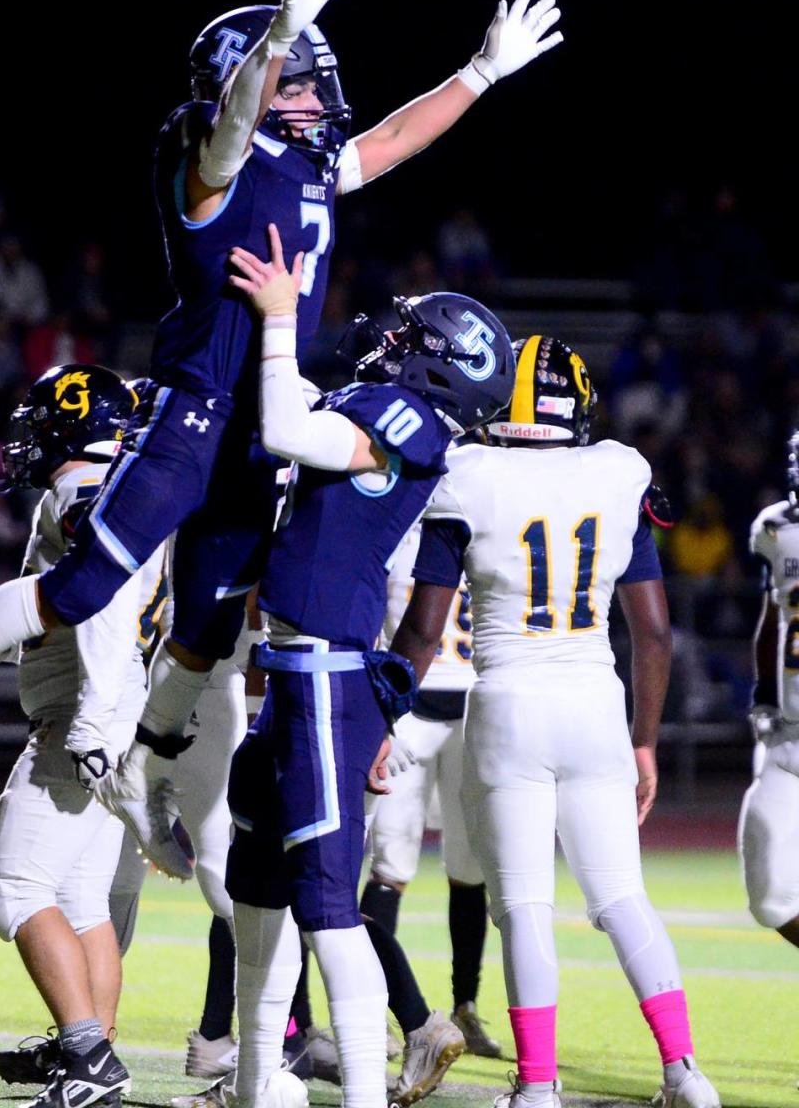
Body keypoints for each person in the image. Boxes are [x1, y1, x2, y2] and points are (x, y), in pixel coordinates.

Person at [0, 0, 562, 871]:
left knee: (206, 629)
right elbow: (231, 133)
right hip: (194, 406)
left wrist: (477, 74)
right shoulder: (206, 150)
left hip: (258, 418)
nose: (319, 97)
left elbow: (391, 140)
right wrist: (277, 37)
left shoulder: (309, 164)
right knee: (82, 588)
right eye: (300, 80)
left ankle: (143, 772)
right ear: (256, 78)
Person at [221, 225, 516, 1108]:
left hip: (323, 677)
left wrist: (278, 319)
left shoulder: (410, 423)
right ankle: (251, 1077)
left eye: (412, 339)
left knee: (327, 905)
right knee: (258, 895)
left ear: (439, 368)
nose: (390, 342)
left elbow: (282, 423)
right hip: (295, 673)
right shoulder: (385, 411)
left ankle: (358, 1093)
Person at [391, 336, 720, 1108]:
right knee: (620, 898)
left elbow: (423, 629)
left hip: (508, 705)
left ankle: (538, 1085)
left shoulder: (467, 476)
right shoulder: (615, 471)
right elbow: (654, 631)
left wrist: (384, 715)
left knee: (525, 908)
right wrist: (644, 739)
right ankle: (684, 1072)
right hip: (595, 703)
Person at [0, 364, 168, 1108]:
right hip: (123, 709)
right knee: (84, 900)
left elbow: (105, 602)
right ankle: (91, 1062)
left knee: (16, 888)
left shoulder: (81, 487)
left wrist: (90, 715)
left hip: (88, 715)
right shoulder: (140, 486)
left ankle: (88, 1056)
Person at [362, 514, 501, 1060]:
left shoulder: (422, 527)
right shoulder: (412, 526)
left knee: (468, 871)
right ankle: (375, 1009)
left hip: (468, 710)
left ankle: (465, 1005)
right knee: (390, 867)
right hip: (413, 712)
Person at [738, 433, 799, 964]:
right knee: (771, 896)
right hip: (789, 736)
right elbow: (772, 615)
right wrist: (762, 694)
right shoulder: (777, 529)